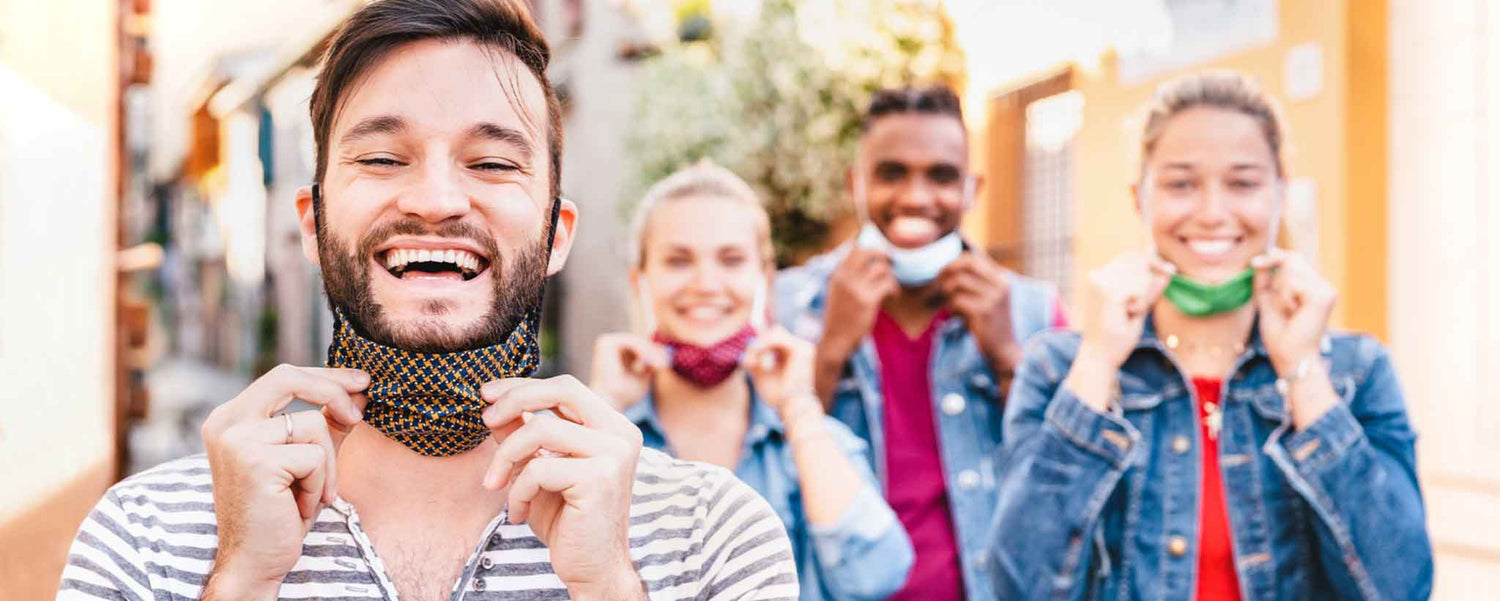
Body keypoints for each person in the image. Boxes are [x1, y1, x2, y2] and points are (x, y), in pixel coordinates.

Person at [57, 2, 798, 600]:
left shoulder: (714, 537)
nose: (437, 200)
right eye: (383, 158)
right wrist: (240, 582)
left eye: (492, 162)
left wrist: (609, 586)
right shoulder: (141, 539)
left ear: (556, 234)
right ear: (312, 225)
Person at [988, 71, 1432, 600]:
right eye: (1181, 184)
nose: (1212, 214)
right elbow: (1021, 586)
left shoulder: (1356, 371)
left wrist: (1303, 371)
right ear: (1139, 198)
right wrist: (1097, 363)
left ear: (1280, 193)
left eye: (1243, 183)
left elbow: (1400, 587)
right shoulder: (1059, 367)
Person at [773, 85, 1066, 601]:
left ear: (972, 189)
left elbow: (1067, 487)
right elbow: (764, 479)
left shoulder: (1033, 311)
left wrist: (1007, 359)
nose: (915, 197)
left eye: (941, 176)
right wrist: (830, 351)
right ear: (856, 184)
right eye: (891, 174)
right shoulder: (789, 306)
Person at [591, 161, 915, 601]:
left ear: (765, 279)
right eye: (678, 261)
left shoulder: (810, 438)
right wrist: (602, 409)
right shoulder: (608, 433)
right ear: (640, 282)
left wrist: (799, 407)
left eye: (731, 260)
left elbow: (876, 576)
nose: (706, 284)